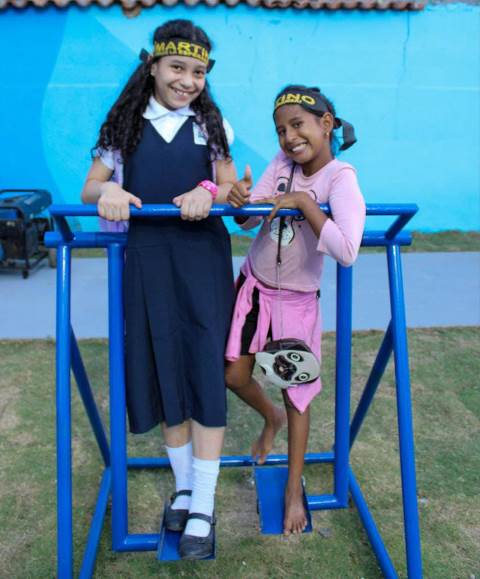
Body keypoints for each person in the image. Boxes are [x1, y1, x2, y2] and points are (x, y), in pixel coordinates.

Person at [81, 19, 237, 560]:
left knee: (203, 372)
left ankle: (204, 506)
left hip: (202, 262)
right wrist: (109, 190)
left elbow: (229, 184)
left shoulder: (211, 124)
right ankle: (185, 488)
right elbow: (91, 186)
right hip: (146, 263)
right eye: (177, 67)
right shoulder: (123, 126)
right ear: (152, 65)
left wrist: (208, 189)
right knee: (164, 369)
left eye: (198, 72)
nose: (187, 80)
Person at [225, 85, 366, 536]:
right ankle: (271, 418)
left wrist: (306, 203)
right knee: (233, 376)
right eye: (281, 130)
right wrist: (240, 202)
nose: (289, 137)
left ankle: (291, 489)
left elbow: (347, 250)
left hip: (295, 304)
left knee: (296, 394)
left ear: (326, 124)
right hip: (253, 289)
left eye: (297, 125)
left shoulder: (340, 178)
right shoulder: (282, 165)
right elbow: (251, 219)